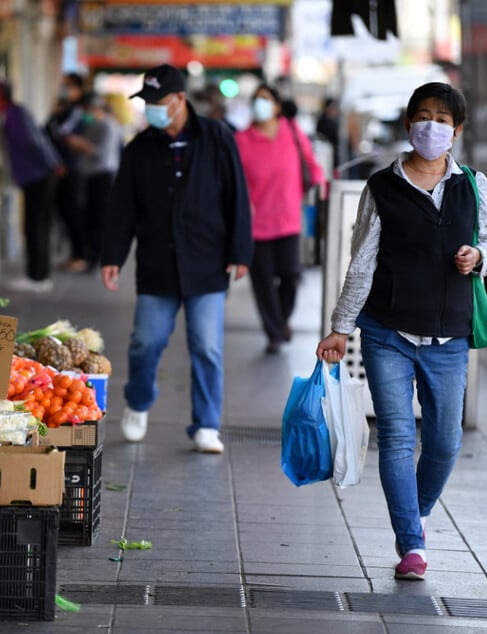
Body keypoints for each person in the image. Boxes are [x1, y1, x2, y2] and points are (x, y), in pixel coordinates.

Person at [316, 82, 487, 580]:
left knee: (444, 442)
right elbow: (362, 263)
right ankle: (412, 543)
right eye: (423, 116)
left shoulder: (473, 184)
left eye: (443, 119)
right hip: (387, 332)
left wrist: (479, 256)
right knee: (398, 437)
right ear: (407, 124)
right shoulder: (381, 187)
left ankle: (414, 515)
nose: (431, 126)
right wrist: (340, 327)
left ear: (457, 131)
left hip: (449, 336)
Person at [100, 64, 253, 454]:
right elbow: (122, 208)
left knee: (207, 347)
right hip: (158, 263)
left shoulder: (217, 137)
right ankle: (137, 402)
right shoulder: (140, 148)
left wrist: (240, 252)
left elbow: (237, 195)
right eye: (147, 101)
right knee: (144, 343)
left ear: (181, 100)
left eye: (158, 101)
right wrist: (113, 255)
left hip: (207, 262)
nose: (152, 108)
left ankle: (206, 424)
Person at [235, 84, 326, 354]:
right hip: (256, 224)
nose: (259, 104)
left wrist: (320, 185)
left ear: (276, 106)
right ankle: (274, 332)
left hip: (288, 219)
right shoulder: (243, 139)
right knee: (263, 282)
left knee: (291, 275)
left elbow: (311, 163)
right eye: (256, 100)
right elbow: (235, 180)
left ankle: (281, 320)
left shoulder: (292, 130)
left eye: (265, 99)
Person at [0, 80, 64, 293]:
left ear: (0, 96)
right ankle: (39, 275)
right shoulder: (15, 113)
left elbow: (35, 142)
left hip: (38, 178)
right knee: (38, 226)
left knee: (35, 226)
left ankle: (37, 276)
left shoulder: (14, 116)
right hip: (36, 177)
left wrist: (53, 163)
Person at [64, 92, 124, 270]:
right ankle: (92, 256)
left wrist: (80, 144)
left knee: (97, 219)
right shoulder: (96, 124)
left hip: (102, 176)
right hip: (93, 175)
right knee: (91, 218)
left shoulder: (106, 125)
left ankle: (96, 258)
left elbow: (101, 152)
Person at [45, 73, 89, 272]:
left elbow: (60, 131)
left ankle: (80, 255)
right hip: (57, 168)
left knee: (72, 212)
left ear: (79, 89)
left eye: (69, 86)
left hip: (70, 169)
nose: (65, 89)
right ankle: (74, 254)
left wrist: (55, 116)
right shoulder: (63, 109)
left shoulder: (76, 111)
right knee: (63, 212)